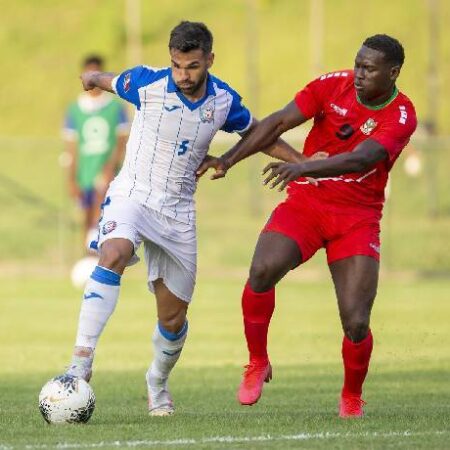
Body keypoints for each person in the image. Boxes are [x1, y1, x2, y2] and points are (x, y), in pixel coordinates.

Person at [64, 21, 317, 417]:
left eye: (193, 66)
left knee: (173, 318)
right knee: (112, 252)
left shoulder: (223, 101)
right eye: (178, 66)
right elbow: (110, 80)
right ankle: (79, 365)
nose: (183, 75)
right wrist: (92, 77)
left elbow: (260, 134)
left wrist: (304, 164)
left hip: (178, 211)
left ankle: (157, 381)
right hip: (132, 194)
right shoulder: (146, 83)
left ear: (210, 60)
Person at [197, 34, 417, 418]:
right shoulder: (331, 85)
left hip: (358, 217)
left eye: (369, 68)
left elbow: (362, 159)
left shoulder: (402, 114)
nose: (359, 73)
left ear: (393, 72)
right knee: (262, 270)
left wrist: (303, 166)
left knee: (356, 321)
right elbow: (278, 122)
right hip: (309, 203)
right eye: (358, 63)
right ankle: (257, 361)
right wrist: (229, 159)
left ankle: (351, 395)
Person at [62, 55, 129, 249]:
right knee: (87, 219)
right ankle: (88, 261)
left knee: (107, 219)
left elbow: (121, 141)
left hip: (110, 174)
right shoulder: (75, 109)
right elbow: (71, 148)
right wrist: (72, 178)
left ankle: (104, 261)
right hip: (85, 174)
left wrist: (110, 167)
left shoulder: (116, 107)